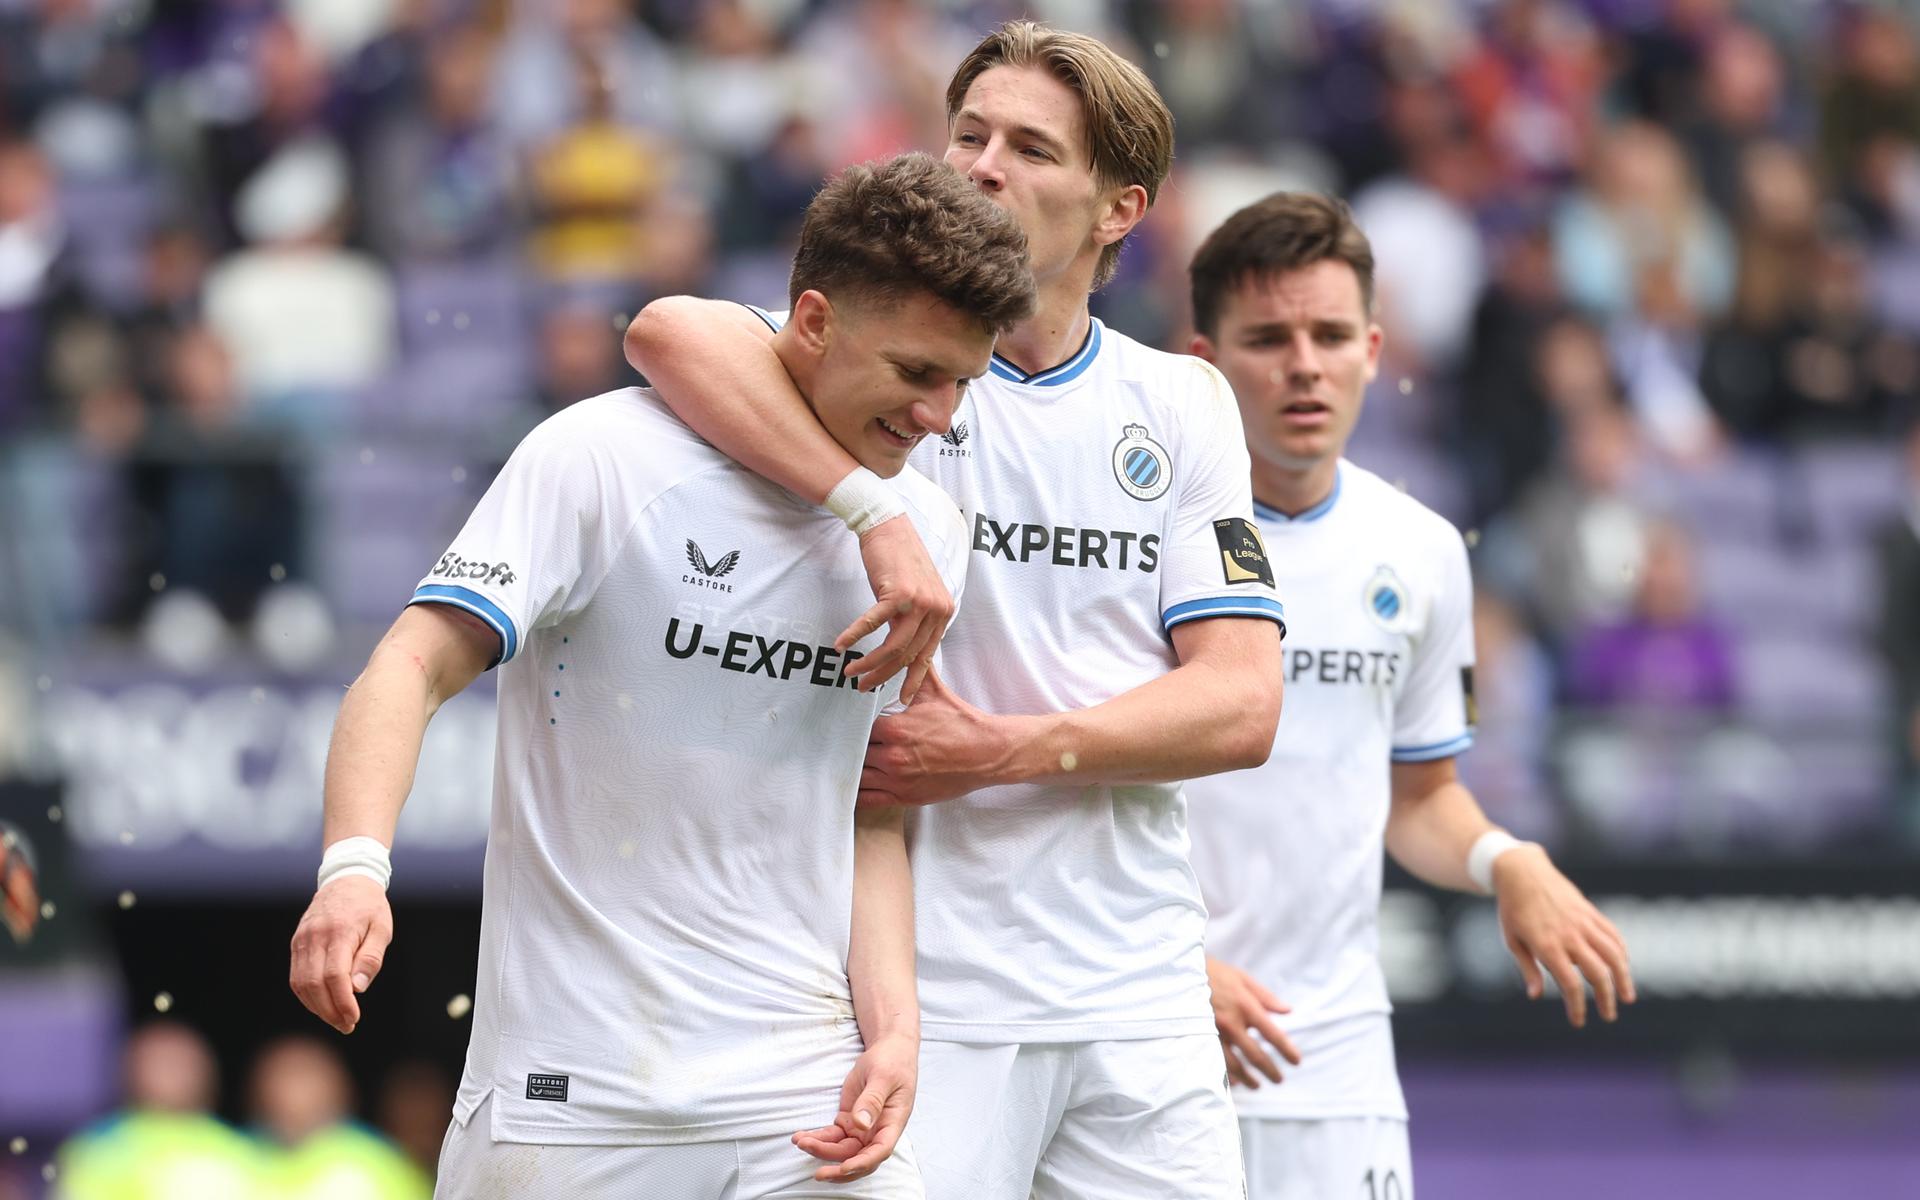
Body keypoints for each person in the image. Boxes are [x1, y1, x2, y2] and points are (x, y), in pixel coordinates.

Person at [622, 21, 1286, 1199]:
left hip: (1136, 990)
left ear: (1118, 209)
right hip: (922, 992)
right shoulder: (874, 371)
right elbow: (666, 331)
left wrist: (997, 752)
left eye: (1031, 148)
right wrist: (869, 509)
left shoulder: (1180, 402)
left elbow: (1241, 706)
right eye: (968, 134)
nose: (983, 165)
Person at [288, 151, 1035, 1197]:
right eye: (916, 373)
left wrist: (897, 1031)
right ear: (812, 322)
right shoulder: (600, 459)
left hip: (801, 1094)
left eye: (963, 382)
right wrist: (353, 866)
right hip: (571, 1094)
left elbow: (866, 804)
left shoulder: (930, 537)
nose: (940, 415)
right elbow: (409, 663)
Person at [1182, 191, 1635, 1200]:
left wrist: (1506, 859)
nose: (1305, 362)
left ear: (1374, 350)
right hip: (1148, 1048)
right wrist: (1163, 969)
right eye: (1268, 337)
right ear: (1206, 363)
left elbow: (1422, 795)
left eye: (1331, 334)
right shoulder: (1142, 546)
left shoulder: (1423, 551)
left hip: (1334, 1066)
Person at [53, 1022, 261, 1200]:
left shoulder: (239, 1147)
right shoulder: (99, 1149)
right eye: (160, 1062)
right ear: (130, 1070)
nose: (172, 1074)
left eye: (181, 1062)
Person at [247, 1035, 429, 1200]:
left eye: (306, 1074)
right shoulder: (235, 1157)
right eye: (284, 1073)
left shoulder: (381, 1163)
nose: (293, 1091)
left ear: (340, 1089)